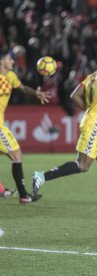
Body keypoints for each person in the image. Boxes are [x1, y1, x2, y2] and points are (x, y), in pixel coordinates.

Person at [32, 47, 97, 218]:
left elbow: (74, 95)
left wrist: (89, 108)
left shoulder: (93, 75)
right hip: (94, 124)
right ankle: (41, 176)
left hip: (96, 124)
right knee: (82, 165)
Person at [0, 48, 51, 204]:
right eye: (10, 59)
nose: (13, 62)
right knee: (16, 155)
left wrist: (35, 93)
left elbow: (21, 88)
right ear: (1, 61)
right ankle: (23, 195)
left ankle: (4, 191)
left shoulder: (10, 76)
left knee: (14, 155)